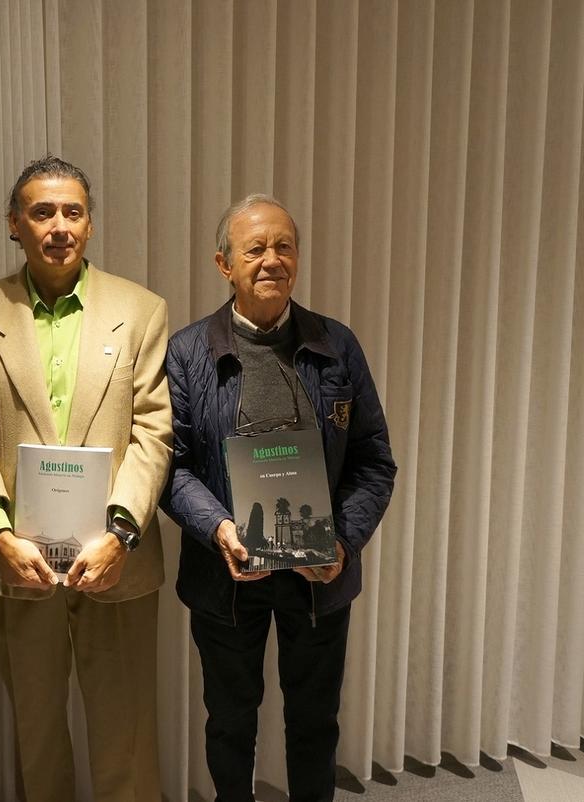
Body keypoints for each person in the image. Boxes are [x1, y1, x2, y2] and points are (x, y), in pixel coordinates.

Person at [161, 194, 397, 802]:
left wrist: (342, 542)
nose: (273, 259)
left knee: (315, 724)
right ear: (224, 264)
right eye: (255, 248)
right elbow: (172, 467)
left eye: (284, 246)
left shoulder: (337, 345)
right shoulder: (188, 353)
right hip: (227, 573)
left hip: (321, 575)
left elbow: (374, 461)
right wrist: (219, 529)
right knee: (230, 722)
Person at [0, 155, 172, 801]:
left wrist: (120, 533)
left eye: (73, 212)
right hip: (16, 559)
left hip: (116, 557)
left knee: (127, 732)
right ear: (13, 224)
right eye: (42, 212)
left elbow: (153, 432)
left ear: (89, 224)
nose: (59, 226)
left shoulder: (141, 309)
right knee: (36, 731)